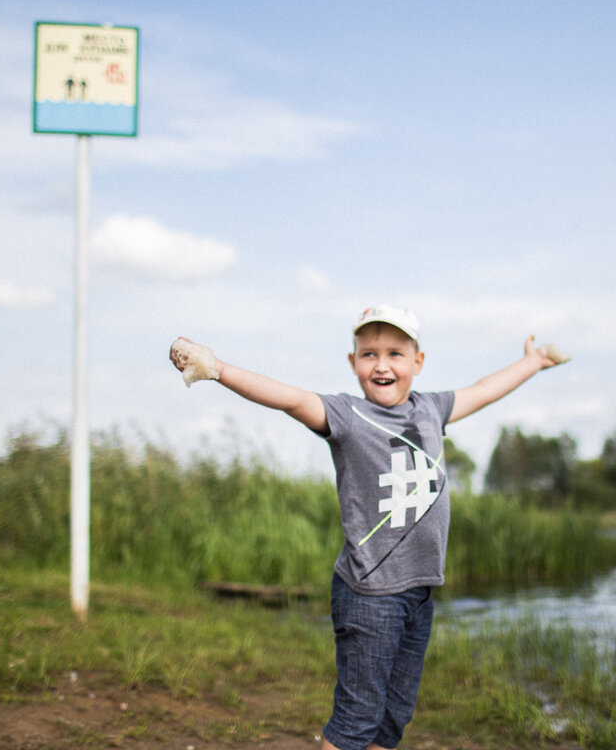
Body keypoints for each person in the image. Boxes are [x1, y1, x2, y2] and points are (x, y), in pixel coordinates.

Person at [169, 305, 568, 750]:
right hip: (370, 595)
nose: (382, 365)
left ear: (417, 362)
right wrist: (217, 368)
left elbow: (484, 388)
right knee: (356, 722)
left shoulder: (432, 409)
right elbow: (290, 397)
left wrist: (534, 362)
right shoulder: (348, 416)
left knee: (392, 720)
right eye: (369, 354)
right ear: (353, 362)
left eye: (395, 353)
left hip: (420, 591)